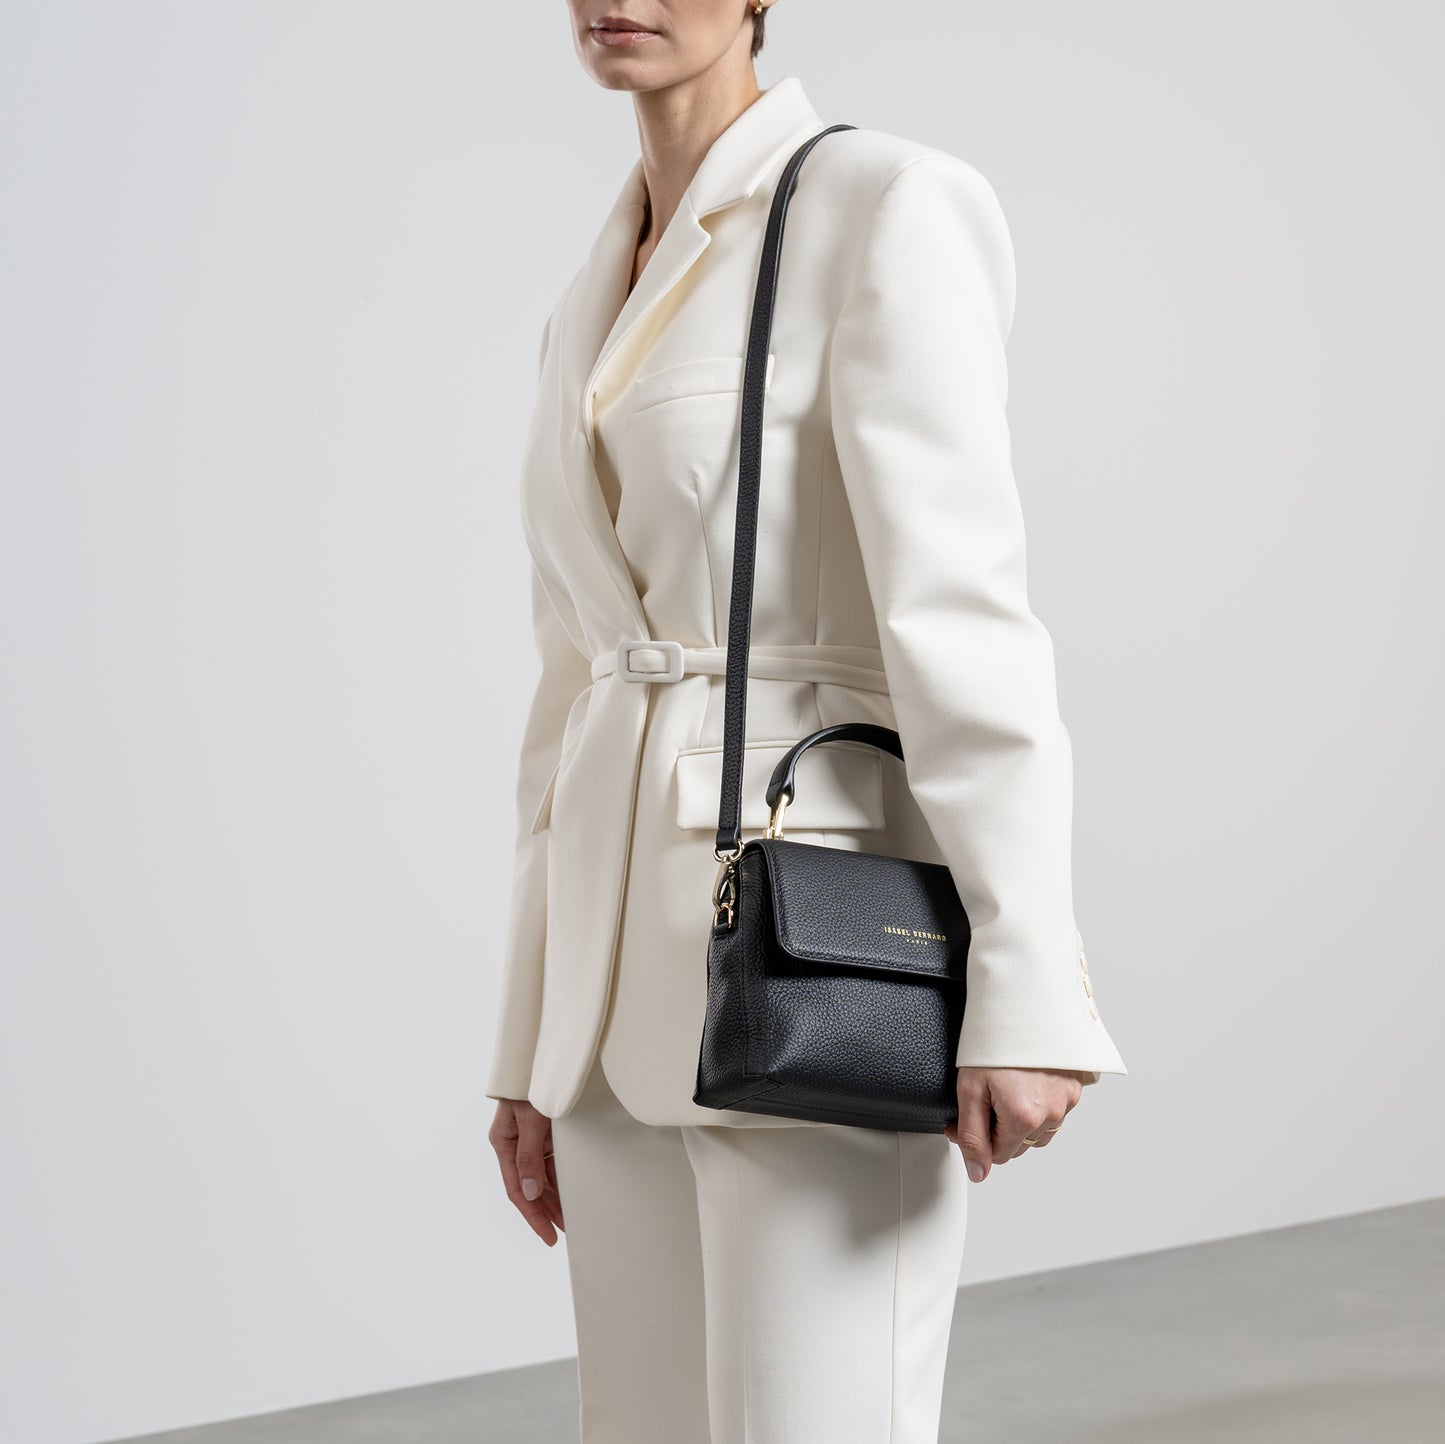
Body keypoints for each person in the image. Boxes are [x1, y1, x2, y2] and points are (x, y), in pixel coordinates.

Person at [486, 4, 1128, 1440]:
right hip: (608, 995)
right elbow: (570, 681)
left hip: (813, 960)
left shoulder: (884, 204)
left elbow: (959, 615)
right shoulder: (588, 289)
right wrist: (527, 1042)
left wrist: (1027, 982)